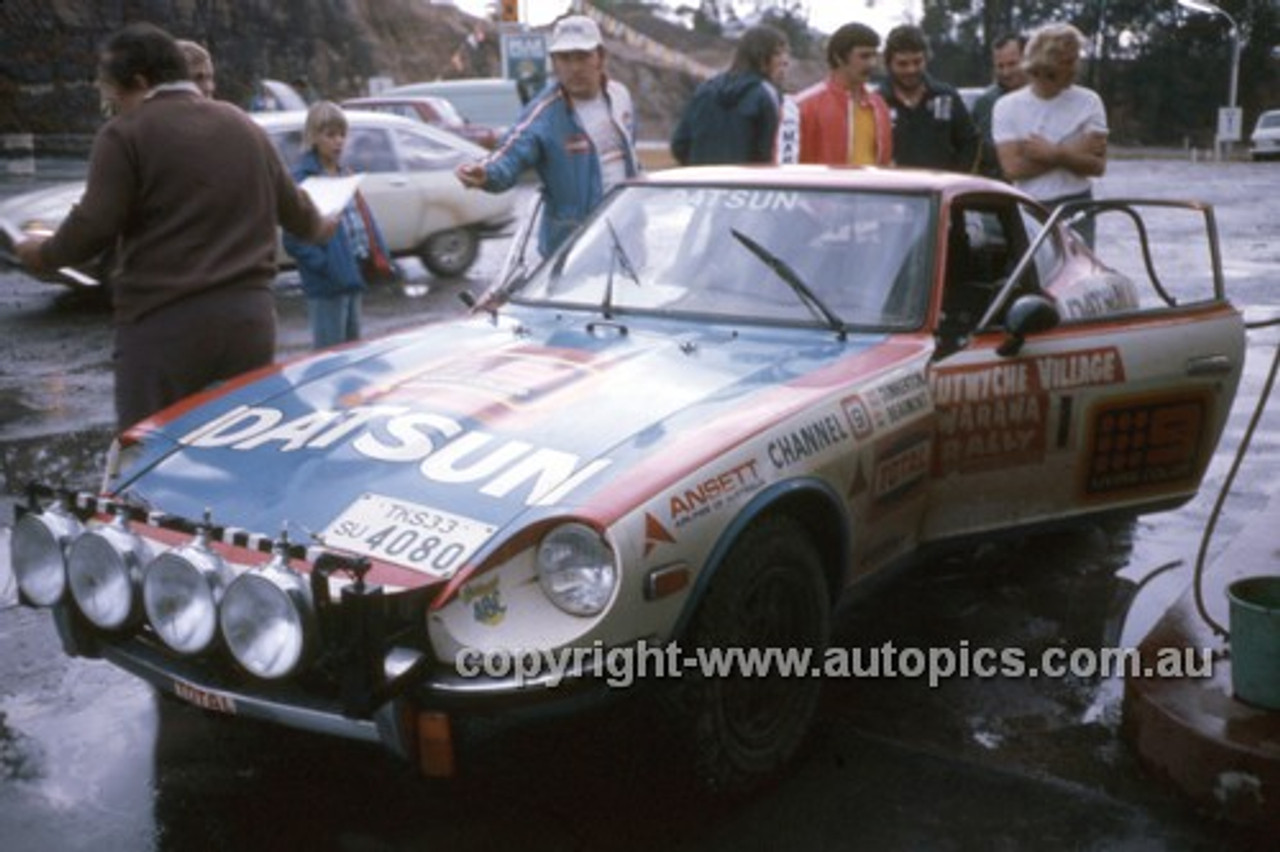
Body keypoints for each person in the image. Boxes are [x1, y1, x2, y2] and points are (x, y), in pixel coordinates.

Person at [14, 22, 334, 431]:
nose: (111, 102)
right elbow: (299, 214)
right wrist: (323, 226)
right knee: (245, 442)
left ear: (141, 82)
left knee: (150, 455)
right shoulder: (243, 125)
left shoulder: (126, 134)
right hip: (249, 322)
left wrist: (40, 253)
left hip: (164, 327)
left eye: (112, 91)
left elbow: (93, 226)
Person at [455, 14, 638, 257]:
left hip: (627, 236)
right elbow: (510, 152)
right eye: (565, 58)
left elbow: (631, 154)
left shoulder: (620, 96)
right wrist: (486, 173)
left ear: (600, 57)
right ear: (554, 61)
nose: (574, 67)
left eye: (582, 56)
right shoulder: (544, 113)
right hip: (573, 249)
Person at [283, 101, 394, 349]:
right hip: (326, 284)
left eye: (342, 134)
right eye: (330, 135)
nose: (338, 141)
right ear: (313, 137)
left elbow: (360, 220)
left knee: (352, 353)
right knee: (329, 355)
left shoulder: (345, 173)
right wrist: (325, 265)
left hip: (352, 273)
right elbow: (293, 238)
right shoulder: (304, 180)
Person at [992, 23, 1107, 245]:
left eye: (1076, 59)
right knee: (1034, 275)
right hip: (1029, 206)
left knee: (1080, 275)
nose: (1076, 67)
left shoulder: (1090, 101)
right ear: (1046, 65)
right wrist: (1074, 150)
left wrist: (1054, 153)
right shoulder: (1006, 107)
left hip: (1078, 206)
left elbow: (1097, 166)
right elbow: (1013, 168)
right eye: (1068, 61)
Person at [669, 24, 790, 165]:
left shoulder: (705, 90)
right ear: (761, 57)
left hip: (701, 184)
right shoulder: (767, 95)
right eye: (777, 53)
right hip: (748, 184)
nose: (785, 61)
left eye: (786, 53)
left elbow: (679, 146)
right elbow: (771, 153)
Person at [776, 21, 892, 166]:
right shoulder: (800, 107)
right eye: (864, 56)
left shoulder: (879, 106)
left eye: (874, 56)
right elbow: (786, 168)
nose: (872, 63)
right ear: (839, 57)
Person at [878, 24, 980, 172]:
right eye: (902, 64)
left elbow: (970, 142)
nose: (911, 69)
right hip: (894, 190)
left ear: (926, 59)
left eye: (917, 62)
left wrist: (957, 178)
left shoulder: (946, 96)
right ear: (889, 64)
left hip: (940, 190)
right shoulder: (878, 102)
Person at [970, 33, 1028, 179]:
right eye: (1000, 66)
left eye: (1012, 64)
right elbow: (991, 151)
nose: (1006, 72)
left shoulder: (1044, 94)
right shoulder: (988, 102)